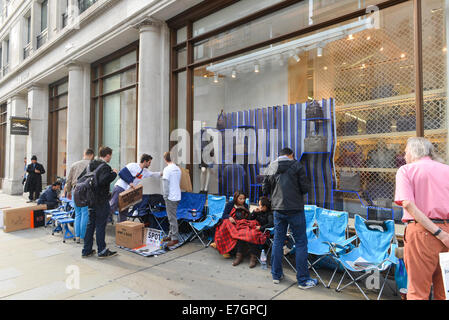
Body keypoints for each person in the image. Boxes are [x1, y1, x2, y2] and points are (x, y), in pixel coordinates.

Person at [394, 137, 449, 300]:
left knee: (418, 291)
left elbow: (408, 204)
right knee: (445, 291)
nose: (404, 156)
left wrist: (439, 233)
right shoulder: (447, 169)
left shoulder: (406, 170)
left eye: (405, 152)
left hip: (422, 233)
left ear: (412, 152)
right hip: (447, 232)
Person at [262, 147, 317, 289]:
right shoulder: (297, 166)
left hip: (278, 209)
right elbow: (305, 188)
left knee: (278, 241)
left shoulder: (271, 166)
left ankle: (276, 275)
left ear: (279, 155)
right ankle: (303, 280)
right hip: (295, 209)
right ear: (291, 155)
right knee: (300, 243)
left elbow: (265, 190)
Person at [79, 146, 118, 259]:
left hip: (90, 200)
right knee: (101, 225)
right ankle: (102, 250)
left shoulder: (91, 164)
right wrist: (114, 174)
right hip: (101, 200)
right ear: (108, 155)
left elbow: (81, 178)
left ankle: (86, 250)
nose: (110, 157)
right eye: (110, 155)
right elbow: (103, 180)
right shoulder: (105, 167)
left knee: (90, 225)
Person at [110, 154, 162, 223]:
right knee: (112, 206)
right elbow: (122, 173)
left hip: (127, 192)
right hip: (120, 187)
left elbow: (153, 174)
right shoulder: (133, 165)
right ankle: (102, 222)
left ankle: (122, 229)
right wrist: (130, 182)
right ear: (145, 161)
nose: (150, 164)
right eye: (149, 162)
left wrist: (163, 173)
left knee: (124, 211)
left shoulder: (145, 172)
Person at [232, 196, 273, 268]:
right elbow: (249, 219)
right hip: (253, 228)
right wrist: (254, 212)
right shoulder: (259, 212)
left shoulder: (269, 214)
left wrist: (261, 228)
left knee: (252, 235)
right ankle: (239, 256)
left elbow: (271, 224)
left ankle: (253, 257)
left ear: (265, 206)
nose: (259, 206)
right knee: (242, 233)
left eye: (260, 205)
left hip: (262, 231)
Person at [65, 148, 95, 244]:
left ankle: (77, 236)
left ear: (84, 154)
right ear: (92, 155)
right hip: (86, 191)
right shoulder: (92, 165)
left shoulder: (74, 165)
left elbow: (68, 180)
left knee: (77, 214)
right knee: (85, 213)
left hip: (75, 189)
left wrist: (68, 192)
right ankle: (83, 235)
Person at [211, 191, 250, 259]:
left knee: (234, 230)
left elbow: (247, 216)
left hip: (240, 223)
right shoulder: (230, 204)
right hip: (230, 222)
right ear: (236, 198)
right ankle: (223, 249)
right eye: (240, 199)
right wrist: (229, 217)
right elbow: (224, 215)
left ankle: (218, 244)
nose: (242, 200)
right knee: (226, 222)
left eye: (243, 199)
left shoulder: (245, 205)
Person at [161, 151, 182, 248]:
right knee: (172, 216)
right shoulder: (178, 169)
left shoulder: (167, 169)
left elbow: (165, 184)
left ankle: (174, 238)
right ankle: (170, 235)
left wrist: (165, 196)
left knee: (171, 218)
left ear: (165, 159)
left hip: (170, 196)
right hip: (177, 195)